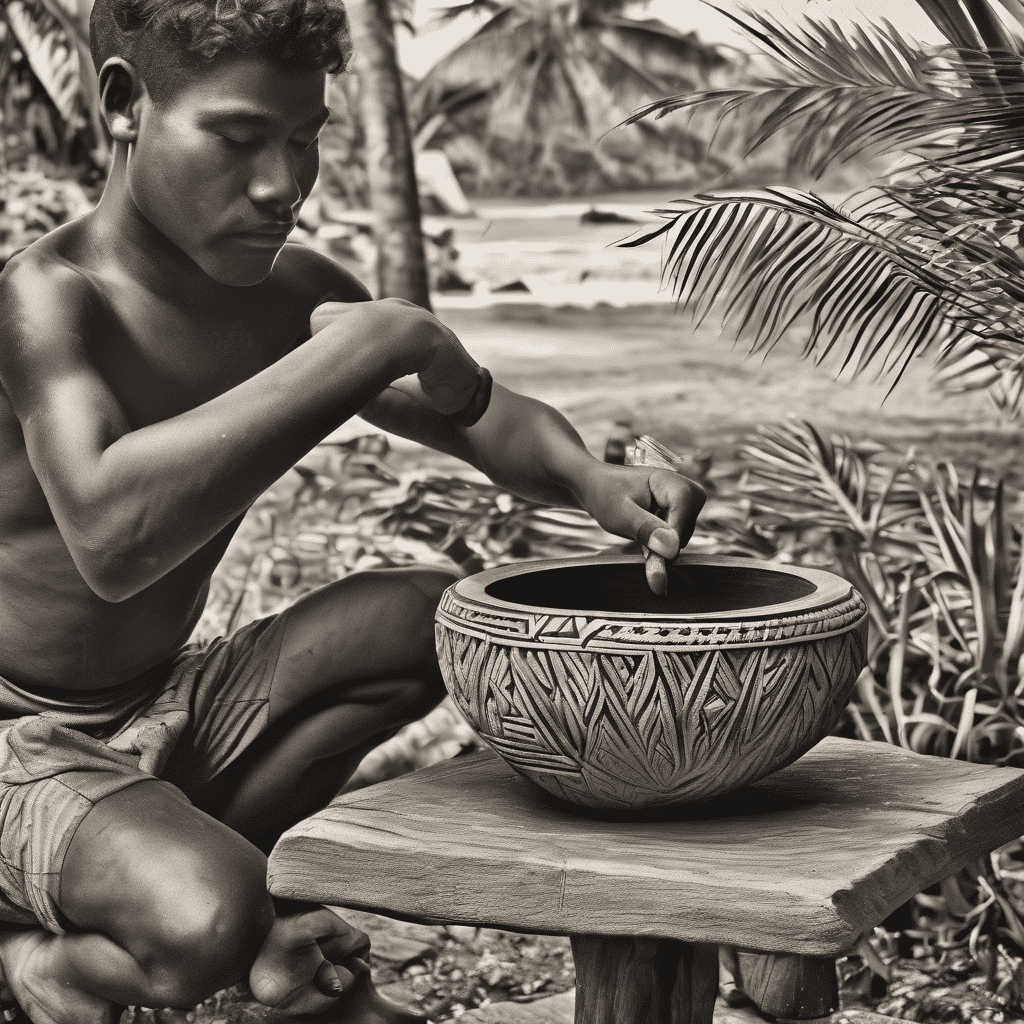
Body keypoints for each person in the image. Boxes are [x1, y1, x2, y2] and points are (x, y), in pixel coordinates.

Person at [0, 0, 707, 1020]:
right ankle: (36, 964)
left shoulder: (291, 295)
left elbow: (480, 415)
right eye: (239, 139)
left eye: (305, 138)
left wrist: (597, 482)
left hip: (157, 711)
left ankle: (190, 885)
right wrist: (367, 346)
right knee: (207, 916)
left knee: (435, 617)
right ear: (123, 105)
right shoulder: (49, 299)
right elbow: (113, 540)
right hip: (16, 731)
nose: (282, 187)